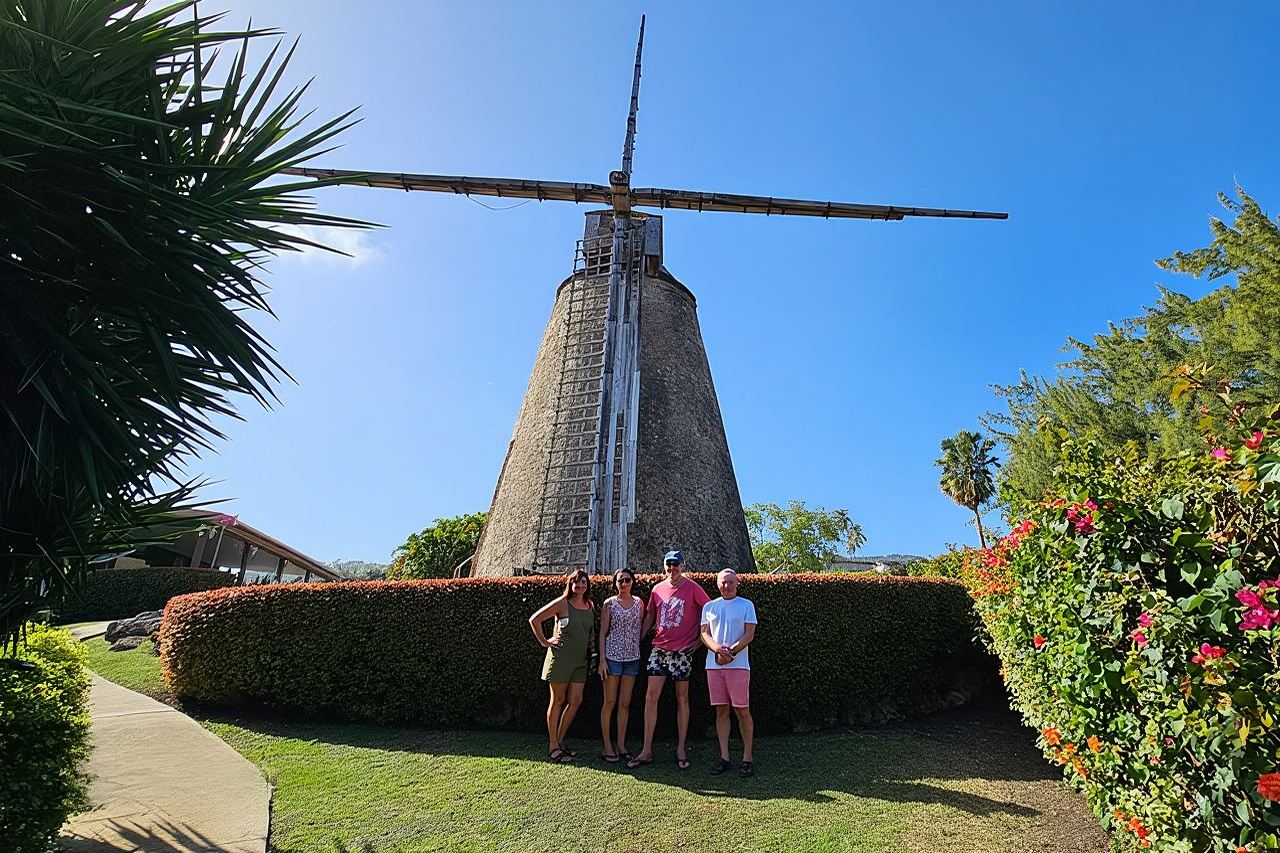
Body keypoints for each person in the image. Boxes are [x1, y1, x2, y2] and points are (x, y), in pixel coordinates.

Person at [627, 550, 711, 771]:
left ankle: (681, 748)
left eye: (676, 565)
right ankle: (646, 749)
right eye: (668, 565)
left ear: (683, 565)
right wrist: (638, 640)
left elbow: (711, 611)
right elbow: (650, 617)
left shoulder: (693, 588)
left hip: (682, 653)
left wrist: (701, 641)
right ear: (664, 566)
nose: (672, 569)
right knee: (650, 697)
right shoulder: (657, 589)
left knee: (682, 699)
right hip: (659, 650)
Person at [529, 568, 595, 763]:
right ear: (570, 584)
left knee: (575, 701)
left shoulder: (590, 605)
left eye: (583, 582)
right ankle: (553, 745)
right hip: (560, 659)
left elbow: (590, 632)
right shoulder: (562, 603)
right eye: (576, 582)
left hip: (580, 662)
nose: (580, 586)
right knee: (557, 700)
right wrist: (545, 642)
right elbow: (535, 619)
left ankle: (560, 740)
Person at [700, 568, 758, 777]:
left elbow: (750, 633)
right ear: (718, 584)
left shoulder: (746, 605)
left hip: (738, 666)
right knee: (721, 710)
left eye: (730, 582)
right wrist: (717, 649)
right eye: (723, 582)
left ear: (737, 583)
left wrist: (732, 651)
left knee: (742, 710)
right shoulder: (709, 606)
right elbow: (704, 634)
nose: (727, 586)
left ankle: (747, 757)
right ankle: (724, 757)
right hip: (714, 666)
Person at [597, 568, 645, 763]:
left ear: (632, 582)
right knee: (610, 702)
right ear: (615, 584)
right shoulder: (609, 604)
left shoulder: (639, 603)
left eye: (626, 580)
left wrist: (636, 642)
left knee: (625, 704)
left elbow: (641, 626)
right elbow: (602, 633)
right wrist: (602, 660)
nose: (623, 584)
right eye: (620, 581)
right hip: (613, 658)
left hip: (632, 658)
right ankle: (607, 745)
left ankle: (621, 745)